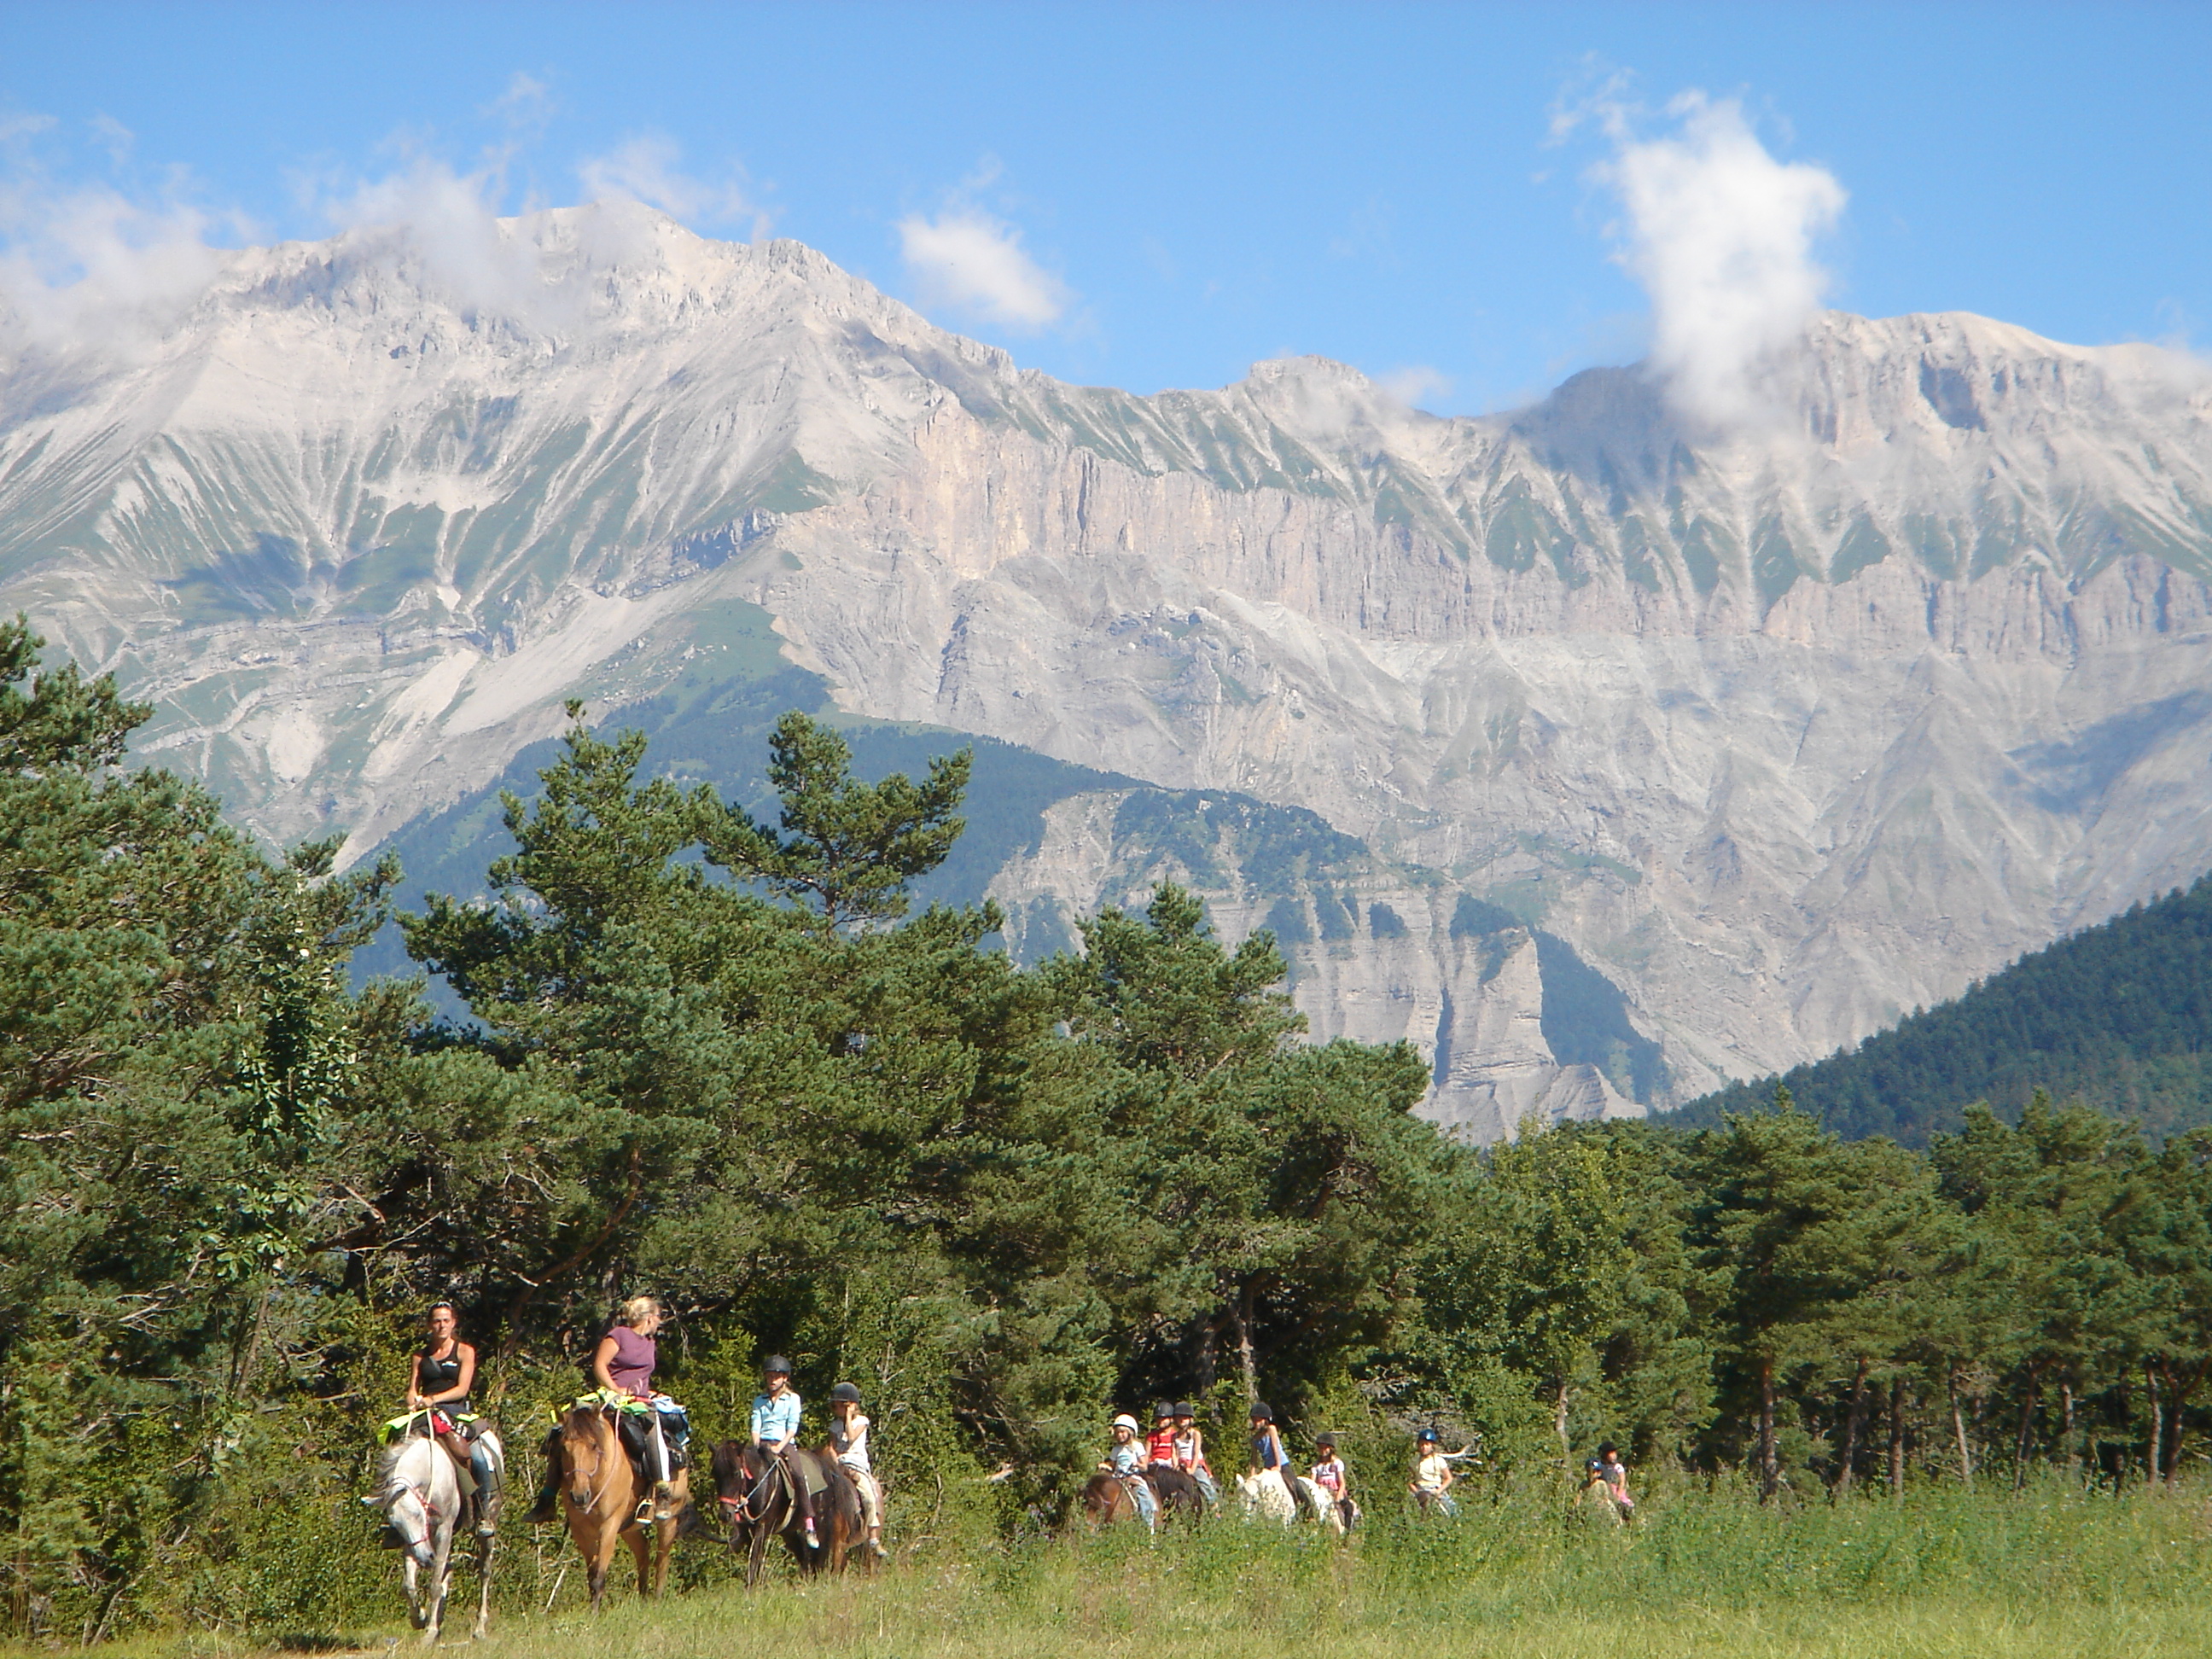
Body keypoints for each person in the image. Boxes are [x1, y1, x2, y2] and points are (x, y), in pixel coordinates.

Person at [524, 1295, 688, 1525]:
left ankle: (659, 1491)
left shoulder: (650, 1343)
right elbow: (600, 1365)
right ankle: (547, 1500)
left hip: (640, 1400)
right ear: (649, 1317)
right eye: (658, 1317)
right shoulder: (619, 1335)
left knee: (653, 1430)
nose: (660, 1322)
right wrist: (615, 1389)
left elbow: (642, 1375)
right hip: (611, 1397)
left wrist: (649, 1393)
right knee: (565, 1431)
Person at [406, 1301, 499, 1536]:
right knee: (397, 1452)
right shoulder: (420, 1356)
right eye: (437, 1321)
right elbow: (412, 1387)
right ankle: (395, 1516)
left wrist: (433, 1399)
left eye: (446, 1320)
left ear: (453, 1323)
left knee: (477, 1456)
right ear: (429, 1325)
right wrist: (412, 1400)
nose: (441, 1325)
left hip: (455, 1411)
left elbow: (462, 1389)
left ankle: (483, 1513)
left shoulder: (464, 1351)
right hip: (424, 1413)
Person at [753, 1356, 817, 1547]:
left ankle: (809, 1522)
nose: (772, 1380)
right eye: (769, 1376)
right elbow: (756, 1426)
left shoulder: (793, 1399)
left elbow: (792, 1428)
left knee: (798, 1474)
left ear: (785, 1379)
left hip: (784, 1443)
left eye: (776, 1377)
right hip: (763, 1442)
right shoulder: (760, 1400)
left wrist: (779, 1448)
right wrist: (757, 1445)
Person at [826, 1382, 888, 1559]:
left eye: (842, 1406)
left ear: (852, 1406)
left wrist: (848, 1416)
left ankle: (874, 1538)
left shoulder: (862, 1421)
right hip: (840, 1464)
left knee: (869, 1496)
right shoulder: (834, 1425)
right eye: (835, 1406)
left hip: (857, 1463)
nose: (837, 1409)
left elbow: (852, 1437)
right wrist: (834, 1460)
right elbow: (832, 1446)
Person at [1097, 1413, 1157, 1528]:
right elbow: (1114, 1466)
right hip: (1118, 1477)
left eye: (1123, 1432)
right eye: (1118, 1432)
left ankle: (1148, 1524)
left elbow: (1144, 1466)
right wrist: (1106, 1466)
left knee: (1144, 1496)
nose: (1120, 1435)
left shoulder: (1137, 1446)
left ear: (1130, 1432)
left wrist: (1137, 1464)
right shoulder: (1116, 1449)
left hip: (1133, 1476)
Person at [1249, 1402, 1301, 1516]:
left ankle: (1307, 1510)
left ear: (1265, 1420)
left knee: (1294, 1485)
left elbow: (1275, 1447)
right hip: (1268, 1467)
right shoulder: (1255, 1438)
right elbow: (1254, 1459)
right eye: (1254, 1420)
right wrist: (1252, 1474)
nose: (1256, 1423)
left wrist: (1278, 1466)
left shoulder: (1271, 1429)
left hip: (1282, 1464)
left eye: (1258, 1420)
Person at [1171, 1403, 1218, 1505]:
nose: (1182, 1420)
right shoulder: (1174, 1436)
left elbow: (1196, 1453)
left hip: (1194, 1464)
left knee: (1204, 1482)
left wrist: (1192, 1469)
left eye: (1185, 1417)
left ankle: (1214, 1505)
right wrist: (1175, 1465)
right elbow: (1174, 1453)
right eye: (1179, 1417)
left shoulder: (1195, 1434)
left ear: (1190, 1419)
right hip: (1181, 1464)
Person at [1310, 1430, 1356, 1528]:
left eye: (1325, 1448)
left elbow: (1342, 1482)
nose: (1323, 1450)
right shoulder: (1316, 1465)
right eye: (1320, 1448)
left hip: (1334, 1490)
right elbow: (1312, 1481)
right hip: (1321, 1490)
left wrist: (1339, 1494)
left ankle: (1348, 1529)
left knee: (1348, 1507)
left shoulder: (1337, 1463)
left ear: (1331, 1448)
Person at [1409, 1427, 1457, 1517]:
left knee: (1453, 1511)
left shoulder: (1439, 1460)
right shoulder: (1414, 1461)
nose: (1424, 1447)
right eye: (1422, 1444)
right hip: (1420, 1489)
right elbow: (1408, 1480)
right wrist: (1416, 1492)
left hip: (1435, 1489)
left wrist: (1439, 1491)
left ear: (1432, 1446)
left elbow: (1448, 1478)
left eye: (1427, 1444)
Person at [1589, 1441, 1634, 1516]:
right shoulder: (1600, 1467)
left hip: (1615, 1492)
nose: (1614, 1455)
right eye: (1611, 1453)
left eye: (1614, 1453)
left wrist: (1619, 1494)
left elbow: (1622, 1480)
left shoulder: (1617, 1467)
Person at [1145, 1406, 1179, 1470]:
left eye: (1163, 1418)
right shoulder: (1151, 1436)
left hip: (1170, 1465)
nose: (1160, 1421)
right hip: (1155, 1465)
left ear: (1171, 1419)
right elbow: (1147, 1455)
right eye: (1158, 1418)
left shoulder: (1175, 1435)